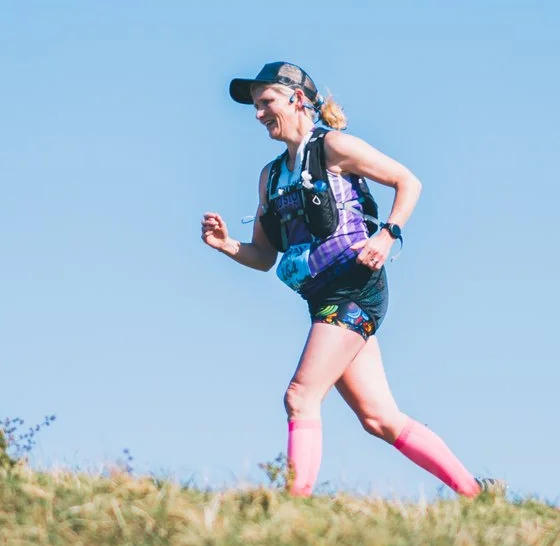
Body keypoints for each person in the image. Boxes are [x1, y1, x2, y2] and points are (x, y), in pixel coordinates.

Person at [200, 61, 488, 499]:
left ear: (297, 99)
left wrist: (388, 235)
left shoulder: (333, 147)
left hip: (355, 287)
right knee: (379, 419)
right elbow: (263, 256)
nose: (258, 114)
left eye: (266, 103)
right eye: (256, 106)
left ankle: (295, 504)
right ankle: (476, 494)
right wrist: (225, 245)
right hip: (322, 299)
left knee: (300, 395)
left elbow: (407, 181)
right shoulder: (271, 177)